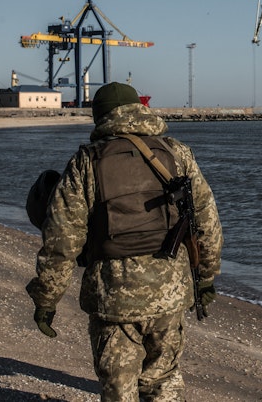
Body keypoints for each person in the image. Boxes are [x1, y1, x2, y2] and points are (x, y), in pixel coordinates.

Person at [26, 82, 223, 402]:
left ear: (100, 118)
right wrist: (206, 278)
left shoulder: (86, 162)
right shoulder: (176, 152)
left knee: (119, 385)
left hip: (113, 294)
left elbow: (61, 240)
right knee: (164, 378)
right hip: (170, 291)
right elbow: (207, 221)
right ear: (139, 109)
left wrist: (46, 298)